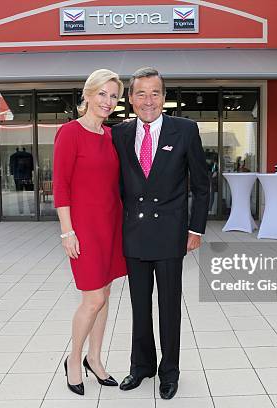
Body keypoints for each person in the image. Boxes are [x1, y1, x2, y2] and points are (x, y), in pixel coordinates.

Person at [112, 67, 209, 400]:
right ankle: (141, 367)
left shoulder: (185, 130)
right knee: (140, 306)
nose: (148, 100)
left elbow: (201, 184)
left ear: (164, 97)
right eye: (141, 93)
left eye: (155, 93)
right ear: (130, 98)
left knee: (169, 307)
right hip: (134, 234)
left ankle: (169, 372)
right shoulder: (119, 134)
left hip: (171, 235)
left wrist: (195, 228)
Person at [53, 69, 127, 396]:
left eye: (113, 96)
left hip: (112, 225)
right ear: (87, 94)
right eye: (102, 94)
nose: (107, 102)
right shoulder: (69, 133)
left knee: (105, 295)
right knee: (93, 297)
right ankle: (73, 359)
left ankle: (95, 359)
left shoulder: (111, 136)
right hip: (83, 228)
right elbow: (61, 185)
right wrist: (67, 232)